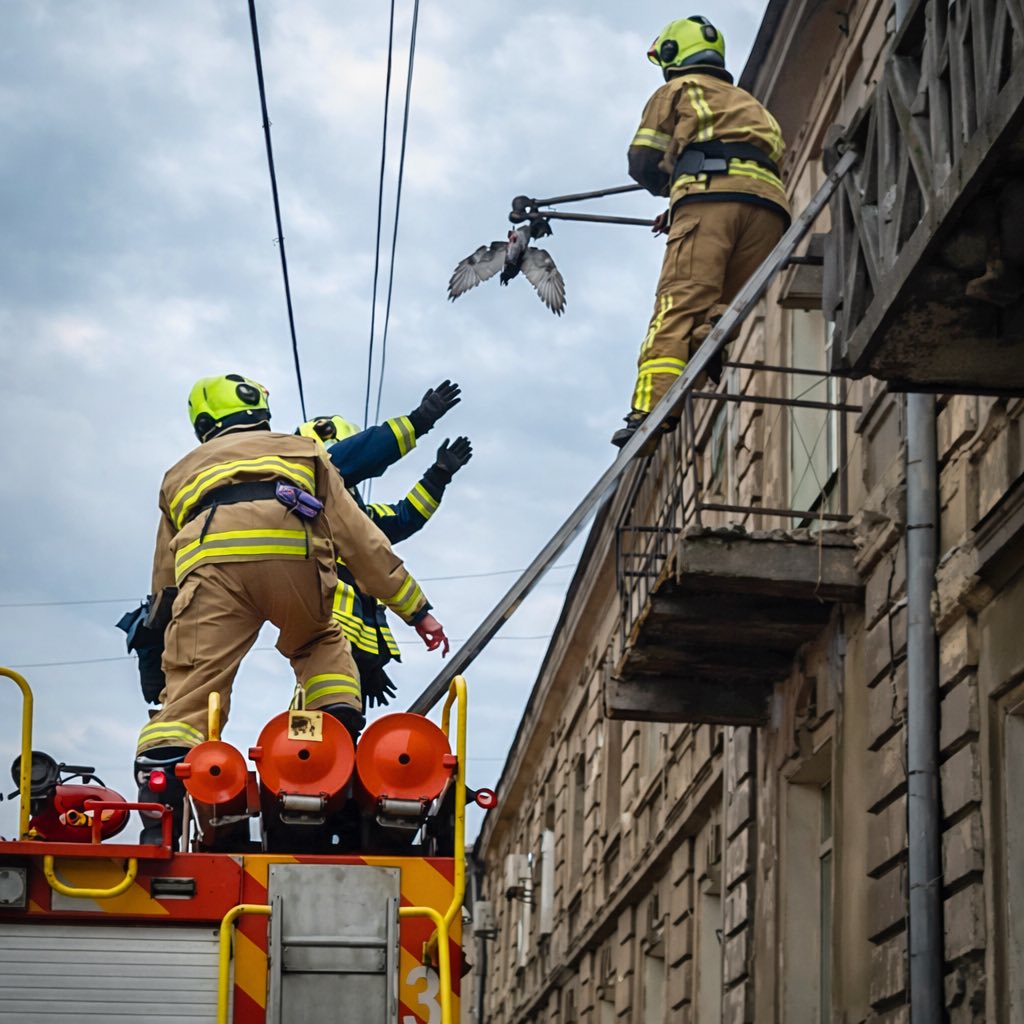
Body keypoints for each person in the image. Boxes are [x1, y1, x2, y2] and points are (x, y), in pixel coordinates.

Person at [133, 374, 448, 844]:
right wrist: (417, 609)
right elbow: (361, 542)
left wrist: (158, 659)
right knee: (319, 641)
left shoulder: (178, 474)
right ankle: (334, 721)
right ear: (262, 411)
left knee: (191, 693)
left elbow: (164, 582)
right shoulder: (303, 452)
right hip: (293, 560)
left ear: (204, 423)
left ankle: (161, 802)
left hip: (211, 568)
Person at [611, 16, 791, 448]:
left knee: (679, 303)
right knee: (721, 306)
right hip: (770, 212)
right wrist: (682, 202)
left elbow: (643, 160)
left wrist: (673, 191)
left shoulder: (677, 90)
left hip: (710, 204)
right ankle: (707, 349)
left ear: (673, 55)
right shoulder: (753, 105)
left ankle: (650, 411)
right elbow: (750, 163)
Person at [298, 411, 473, 709]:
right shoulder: (307, 506)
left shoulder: (359, 515)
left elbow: (404, 517)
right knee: (319, 715)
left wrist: (438, 476)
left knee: (336, 717)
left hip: (355, 638)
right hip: (329, 629)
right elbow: (348, 462)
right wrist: (418, 421)